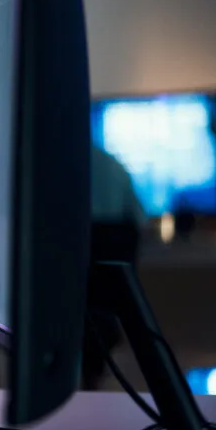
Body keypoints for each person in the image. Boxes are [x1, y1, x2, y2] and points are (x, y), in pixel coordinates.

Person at [82, 146, 147, 390]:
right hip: (110, 290)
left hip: (74, 280)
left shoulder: (54, 165)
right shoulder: (113, 164)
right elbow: (138, 218)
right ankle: (92, 381)